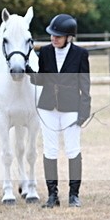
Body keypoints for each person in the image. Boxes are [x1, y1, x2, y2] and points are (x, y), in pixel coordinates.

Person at [27, 14, 91, 209]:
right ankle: (52, 195)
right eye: (52, 35)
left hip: (71, 107)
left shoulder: (80, 54)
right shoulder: (45, 52)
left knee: (72, 149)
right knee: (50, 150)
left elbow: (85, 84)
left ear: (68, 37)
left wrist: (84, 111)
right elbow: (41, 80)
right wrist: (29, 71)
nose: (53, 38)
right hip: (47, 107)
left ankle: (74, 195)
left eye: (58, 36)